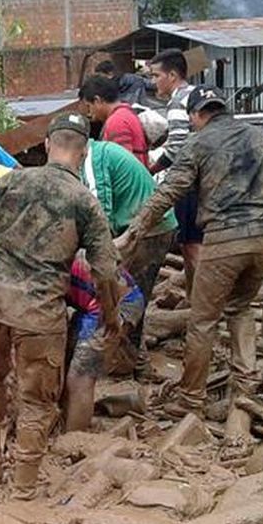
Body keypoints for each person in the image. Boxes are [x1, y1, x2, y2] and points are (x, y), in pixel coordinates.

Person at [0, 112, 121, 491]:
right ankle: (25, 486)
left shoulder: (9, 182)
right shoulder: (84, 202)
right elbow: (106, 272)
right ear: (82, 153)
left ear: (48, 145)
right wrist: (110, 318)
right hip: (40, 316)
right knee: (36, 401)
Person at [120, 86, 263, 420]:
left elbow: (170, 191)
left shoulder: (198, 142)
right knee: (240, 309)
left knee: (203, 321)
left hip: (225, 239)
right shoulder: (260, 138)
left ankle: (190, 398)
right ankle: (245, 386)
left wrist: (133, 231)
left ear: (197, 115)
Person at [81, 137, 177, 378]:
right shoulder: (102, 152)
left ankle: (130, 363)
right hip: (149, 227)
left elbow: (100, 212)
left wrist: (95, 254)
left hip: (146, 231)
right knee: (132, 294)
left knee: (128, 296)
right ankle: (131, 359)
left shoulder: (93, 158)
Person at [63, 256, 144, 431]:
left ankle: (73, 439)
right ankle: (70, 420)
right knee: (67, 362)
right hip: (90, 303)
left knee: (79, 376)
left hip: (114, 306)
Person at [148, 48, 201, 295]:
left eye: (156, 75)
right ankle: (196, 297)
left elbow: (178, 146)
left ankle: (201, 300)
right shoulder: (197, 96)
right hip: (211, 177)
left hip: (191, 182)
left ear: (171, 75)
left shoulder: (179, 101)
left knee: (191, 245)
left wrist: (152, 168)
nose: (153, 82)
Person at [79, 74, 150, 167]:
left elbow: (122, 166)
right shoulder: (126, 112)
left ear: (97, 101)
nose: (90, 114)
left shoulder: (117, 122)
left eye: (89, 107)